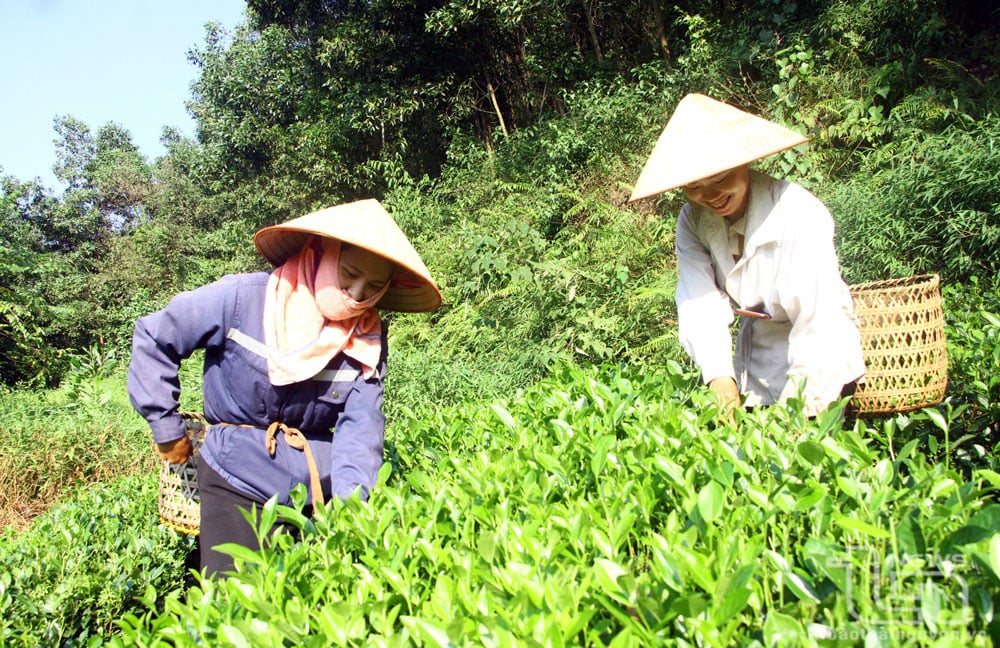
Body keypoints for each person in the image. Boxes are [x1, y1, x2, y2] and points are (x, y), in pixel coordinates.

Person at [127, 198, 441, 576]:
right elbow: (156, 336)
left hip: (314, 488)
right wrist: (165, 427)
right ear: (320, 254)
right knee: (234, 610)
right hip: (235, 477)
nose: (357, 295)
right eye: (349, 274)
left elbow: (361, 428)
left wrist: (352, 510)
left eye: (373, 287)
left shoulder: (368, 337)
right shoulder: (242, 299)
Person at [629, 93, 865, 421]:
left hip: (821, 358)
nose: (710, 196)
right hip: (759, 364)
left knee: (813, 458)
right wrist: (719, 378)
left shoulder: (797, 211)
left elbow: (817, 321)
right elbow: (700, 302)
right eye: (695, 187)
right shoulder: (692, 220)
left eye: (721, 179)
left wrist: (801, 414)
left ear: (745, 164)